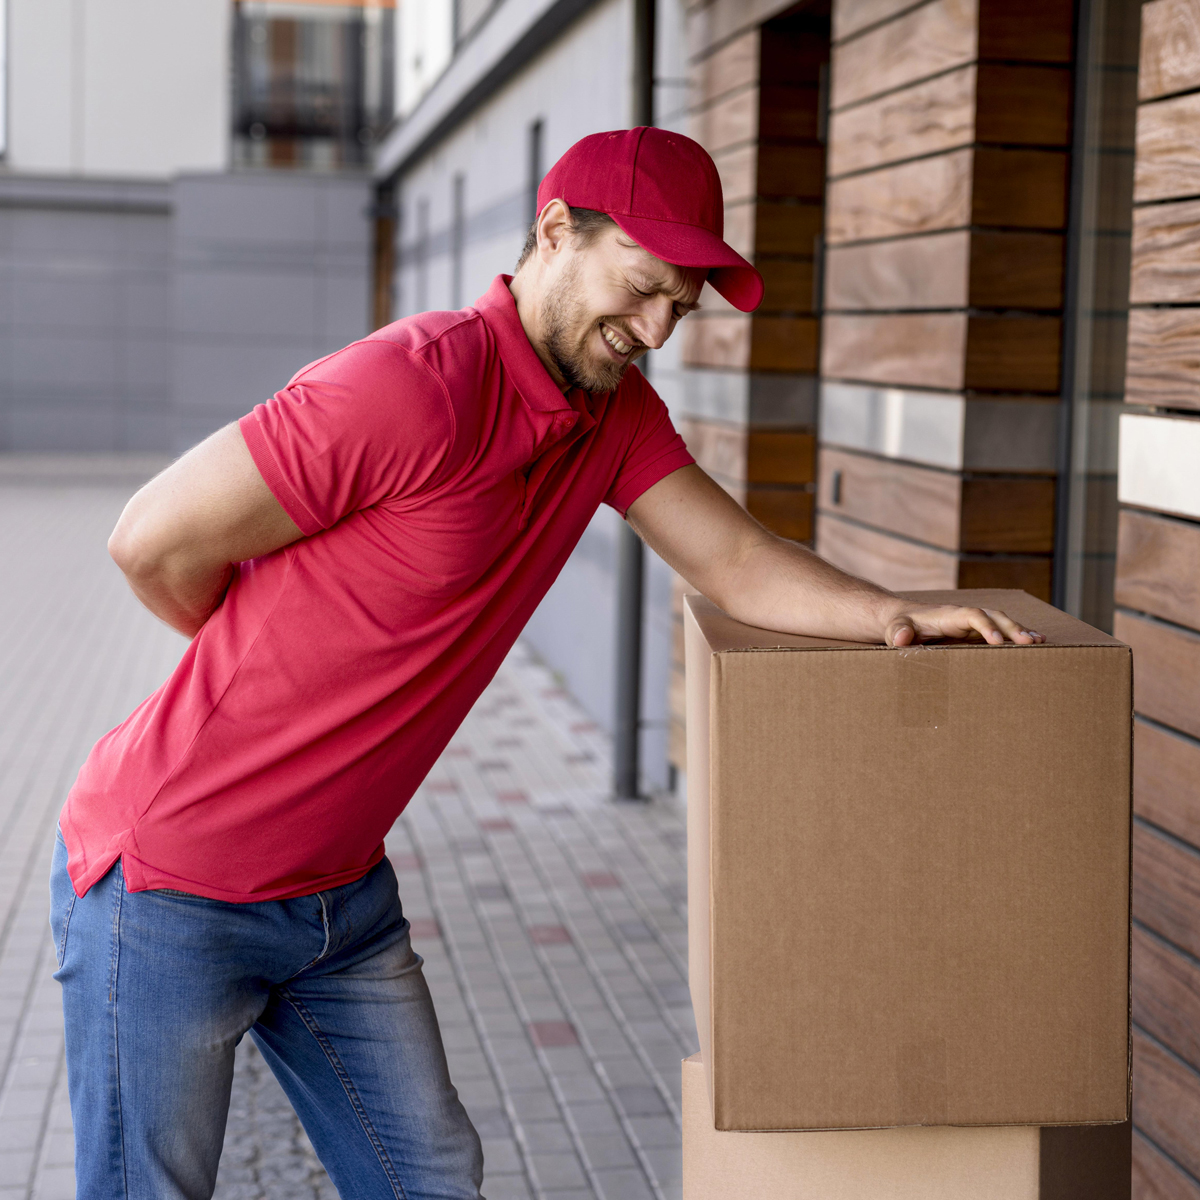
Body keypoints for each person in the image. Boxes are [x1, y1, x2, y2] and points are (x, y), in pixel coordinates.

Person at [50, 127, 1042, 1200]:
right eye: (645, 287)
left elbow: (737, 561)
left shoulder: (611, 416)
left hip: (339, 898)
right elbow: (149, 541)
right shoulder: (409, 386)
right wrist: (257, 669)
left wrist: (893, 613)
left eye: (683, 305)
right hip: (167, 888)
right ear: (557, 230)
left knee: (431, 1180)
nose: (657, 327)